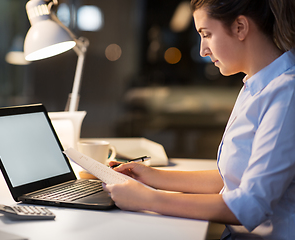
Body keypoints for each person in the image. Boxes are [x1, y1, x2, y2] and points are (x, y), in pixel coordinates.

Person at [103, 0, 295, 239]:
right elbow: (232, 178)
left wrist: (148, 199)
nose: (203, 49)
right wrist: (152, 177)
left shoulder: (286, 94)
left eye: (207, 34)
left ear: (240, 27)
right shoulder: (256, 84)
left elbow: (250, 205)